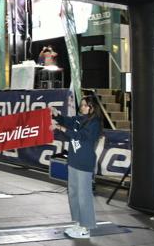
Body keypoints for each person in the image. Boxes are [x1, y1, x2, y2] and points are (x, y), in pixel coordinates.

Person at [51, 95, 103, 239]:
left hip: (84, 164)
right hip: (74, 161)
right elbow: (69, 121)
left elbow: (80, 135)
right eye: (82, 105)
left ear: (93, 107)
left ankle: (86, 228)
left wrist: (60, 127)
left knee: (83, 196)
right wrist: (57, 115)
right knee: (73, 194)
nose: (83, 107)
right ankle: (79, 223)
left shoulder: (95, 123)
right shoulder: (81, 119)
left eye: (86, 105)